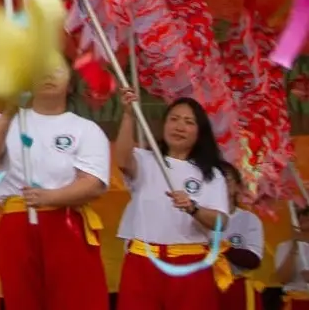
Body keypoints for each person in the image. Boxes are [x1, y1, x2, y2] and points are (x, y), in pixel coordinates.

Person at [0, 59, 109, 310]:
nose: (49, 75)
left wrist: (50, 197)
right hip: (18, 222)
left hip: (66, 221)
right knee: (22, 297)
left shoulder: (85, 129)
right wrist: (8, 112)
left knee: (73, 299)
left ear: (70, 84)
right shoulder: (9, 122)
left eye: (57, 70)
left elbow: (93, 183)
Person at [115, 88, 230, 310]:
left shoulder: (211, 174)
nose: (179, 127)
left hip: (189, 262)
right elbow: (122, 160)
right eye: (174, 119)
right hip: (144, 260)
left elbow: (220, 222)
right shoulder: (145, 159)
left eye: (188, 122)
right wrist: (128, 114)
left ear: (200, 132)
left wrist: (194, 208)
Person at [217, 161, 264, 310]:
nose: (221, 183)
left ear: (238, 186)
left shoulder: (248, 219)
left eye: (227, 179)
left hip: (236, 290)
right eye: (216, 178)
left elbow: (253, 260)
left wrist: (224, 248)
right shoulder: (198, 217)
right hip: (203, 287)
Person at [275, 203, 309, 309]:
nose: (302, 217)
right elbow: (283, 279)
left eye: (306, 213)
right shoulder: (284, 246)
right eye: (299, 214)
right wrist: (294, 249)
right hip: (295, 301)